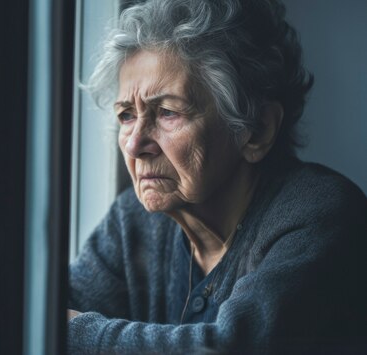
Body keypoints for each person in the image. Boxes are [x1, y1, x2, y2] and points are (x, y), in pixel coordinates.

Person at [67, 0, 367, 354]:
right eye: (127, 115)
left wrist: (72, 332)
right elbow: (39, 308)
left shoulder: (320, 215)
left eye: (167, 112)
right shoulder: (133, 223)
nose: (134, 145)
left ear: (255, 131)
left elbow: (232, 347)